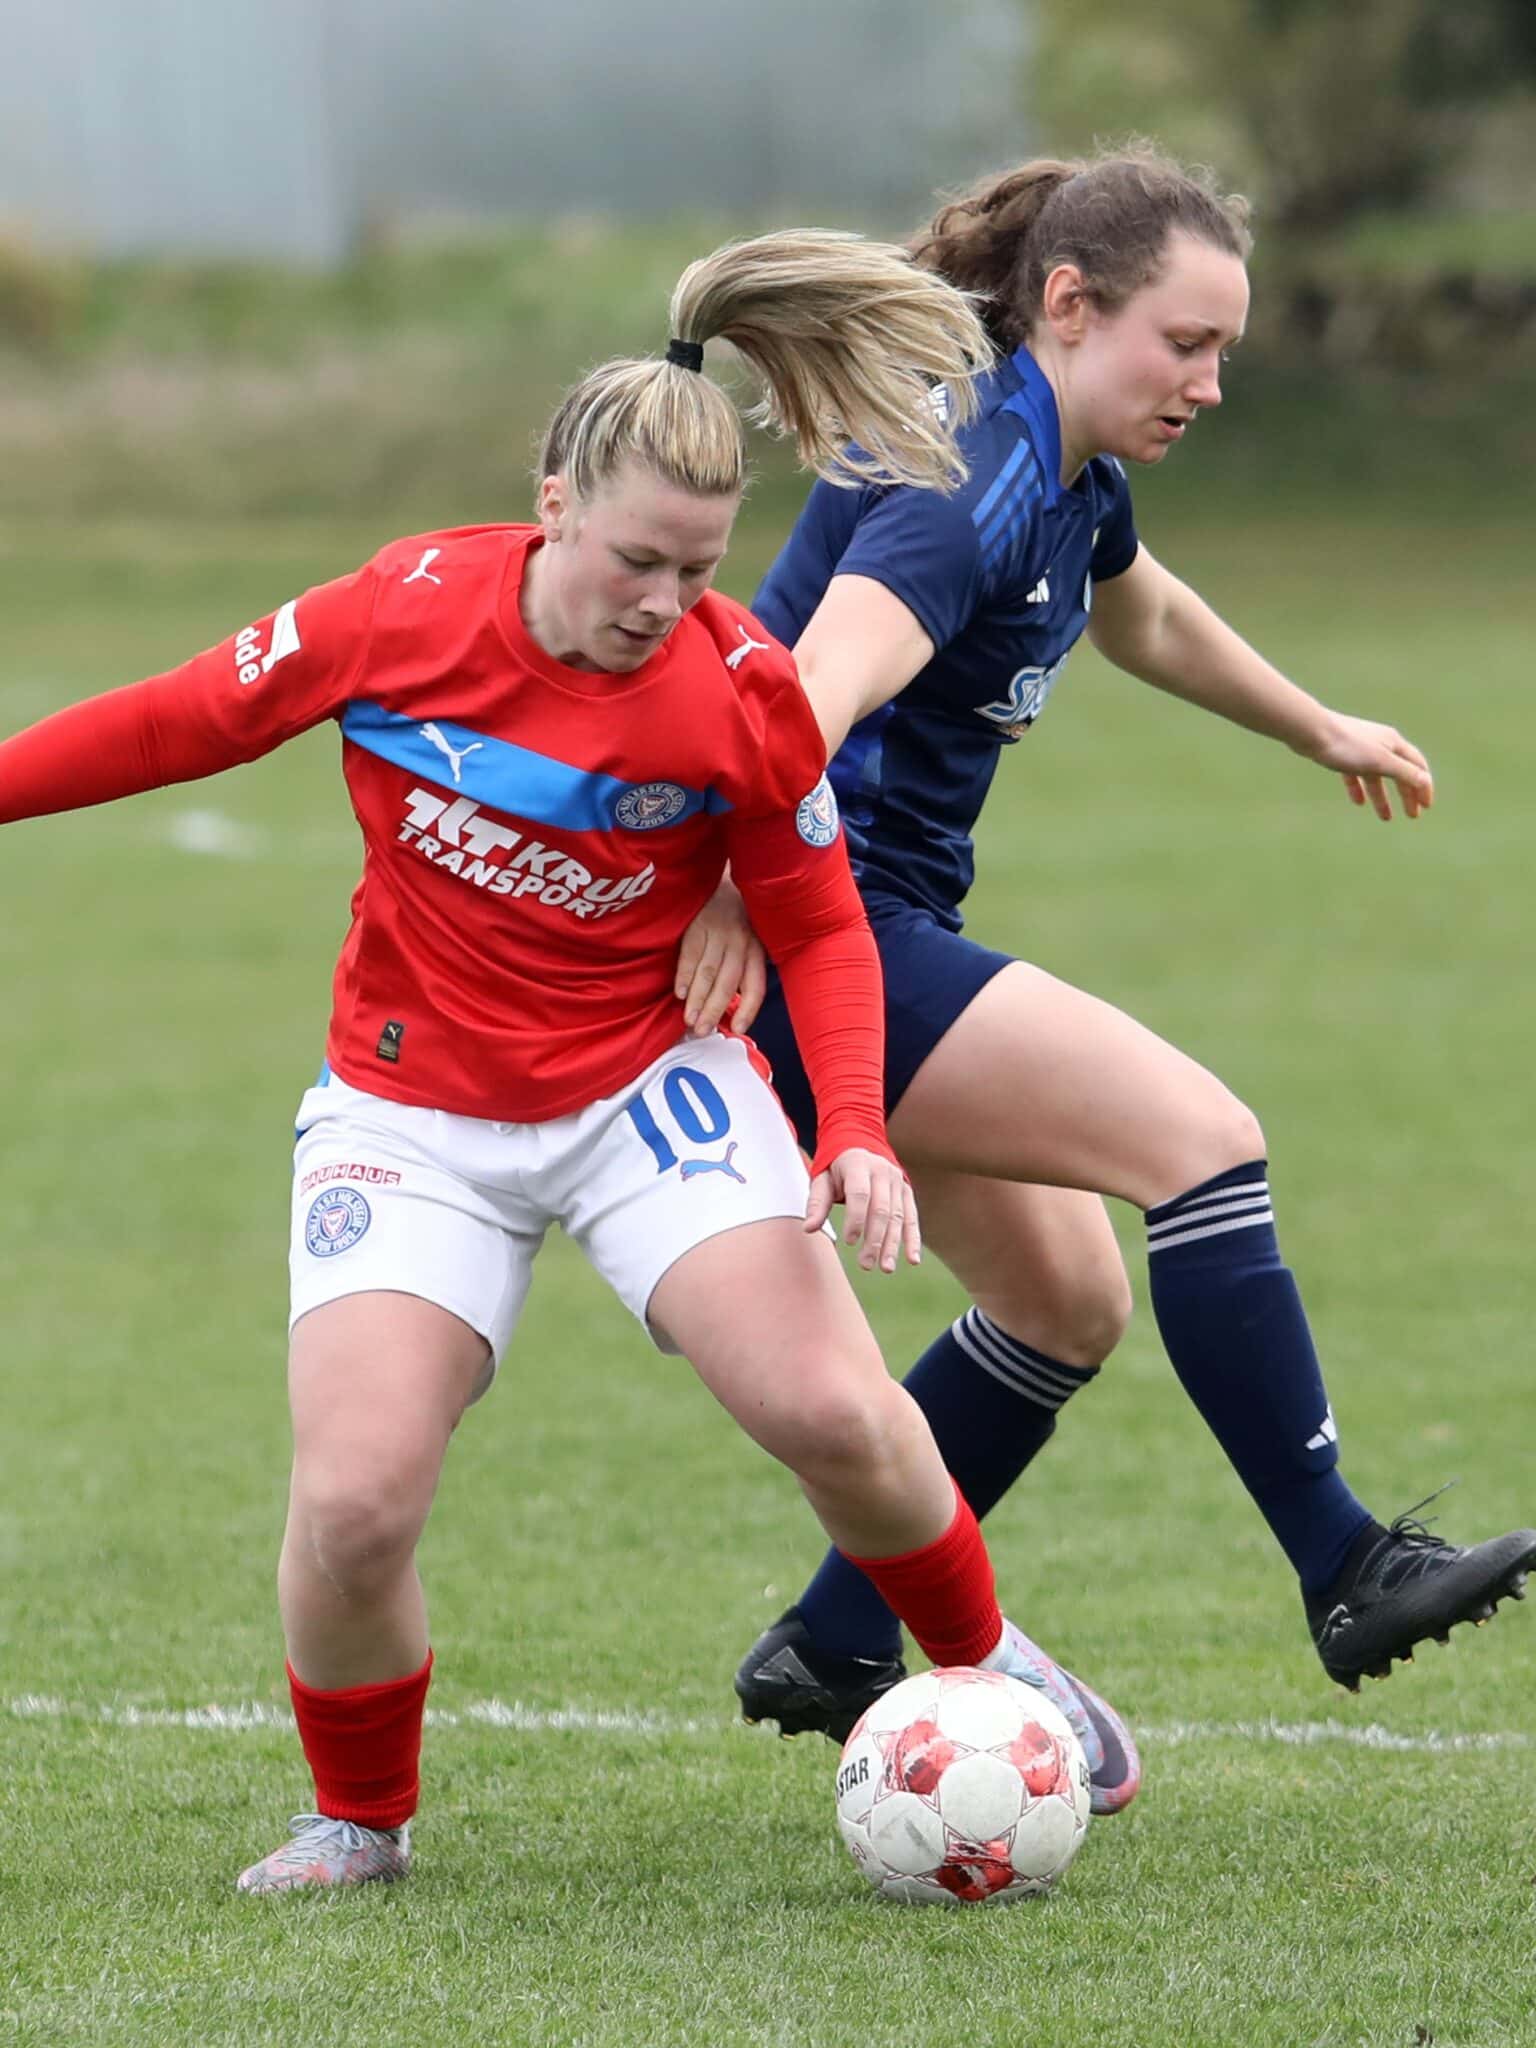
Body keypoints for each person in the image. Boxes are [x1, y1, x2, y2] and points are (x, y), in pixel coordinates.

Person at [0, 228, 1141, 1896]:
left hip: (644, 1094)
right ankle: (359, 1824)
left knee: (834, 1411)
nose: (664, 606)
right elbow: (178, 719)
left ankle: (992, 1673)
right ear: (551, 500)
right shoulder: (397, 614)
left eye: (698, 568)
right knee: (357, 1504)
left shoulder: (737, 688)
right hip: (409, 1110)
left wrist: (860, 1132)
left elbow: (820, 927)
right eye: (634, 564)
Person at [652, 152, 1536, 1744]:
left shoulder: (1068, 471)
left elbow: (1149, 616)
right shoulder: (975, 472)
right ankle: (1344, 1566)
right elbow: (812, 685)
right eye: (1184, 345)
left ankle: (838, 1638)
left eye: (1224, 354)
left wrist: (1316, 723)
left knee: (1067, 1301)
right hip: (811, 934)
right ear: (1069, 304)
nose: (1208, 383)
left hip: (867, 919)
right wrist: (734, 872)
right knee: (1204, 1143)